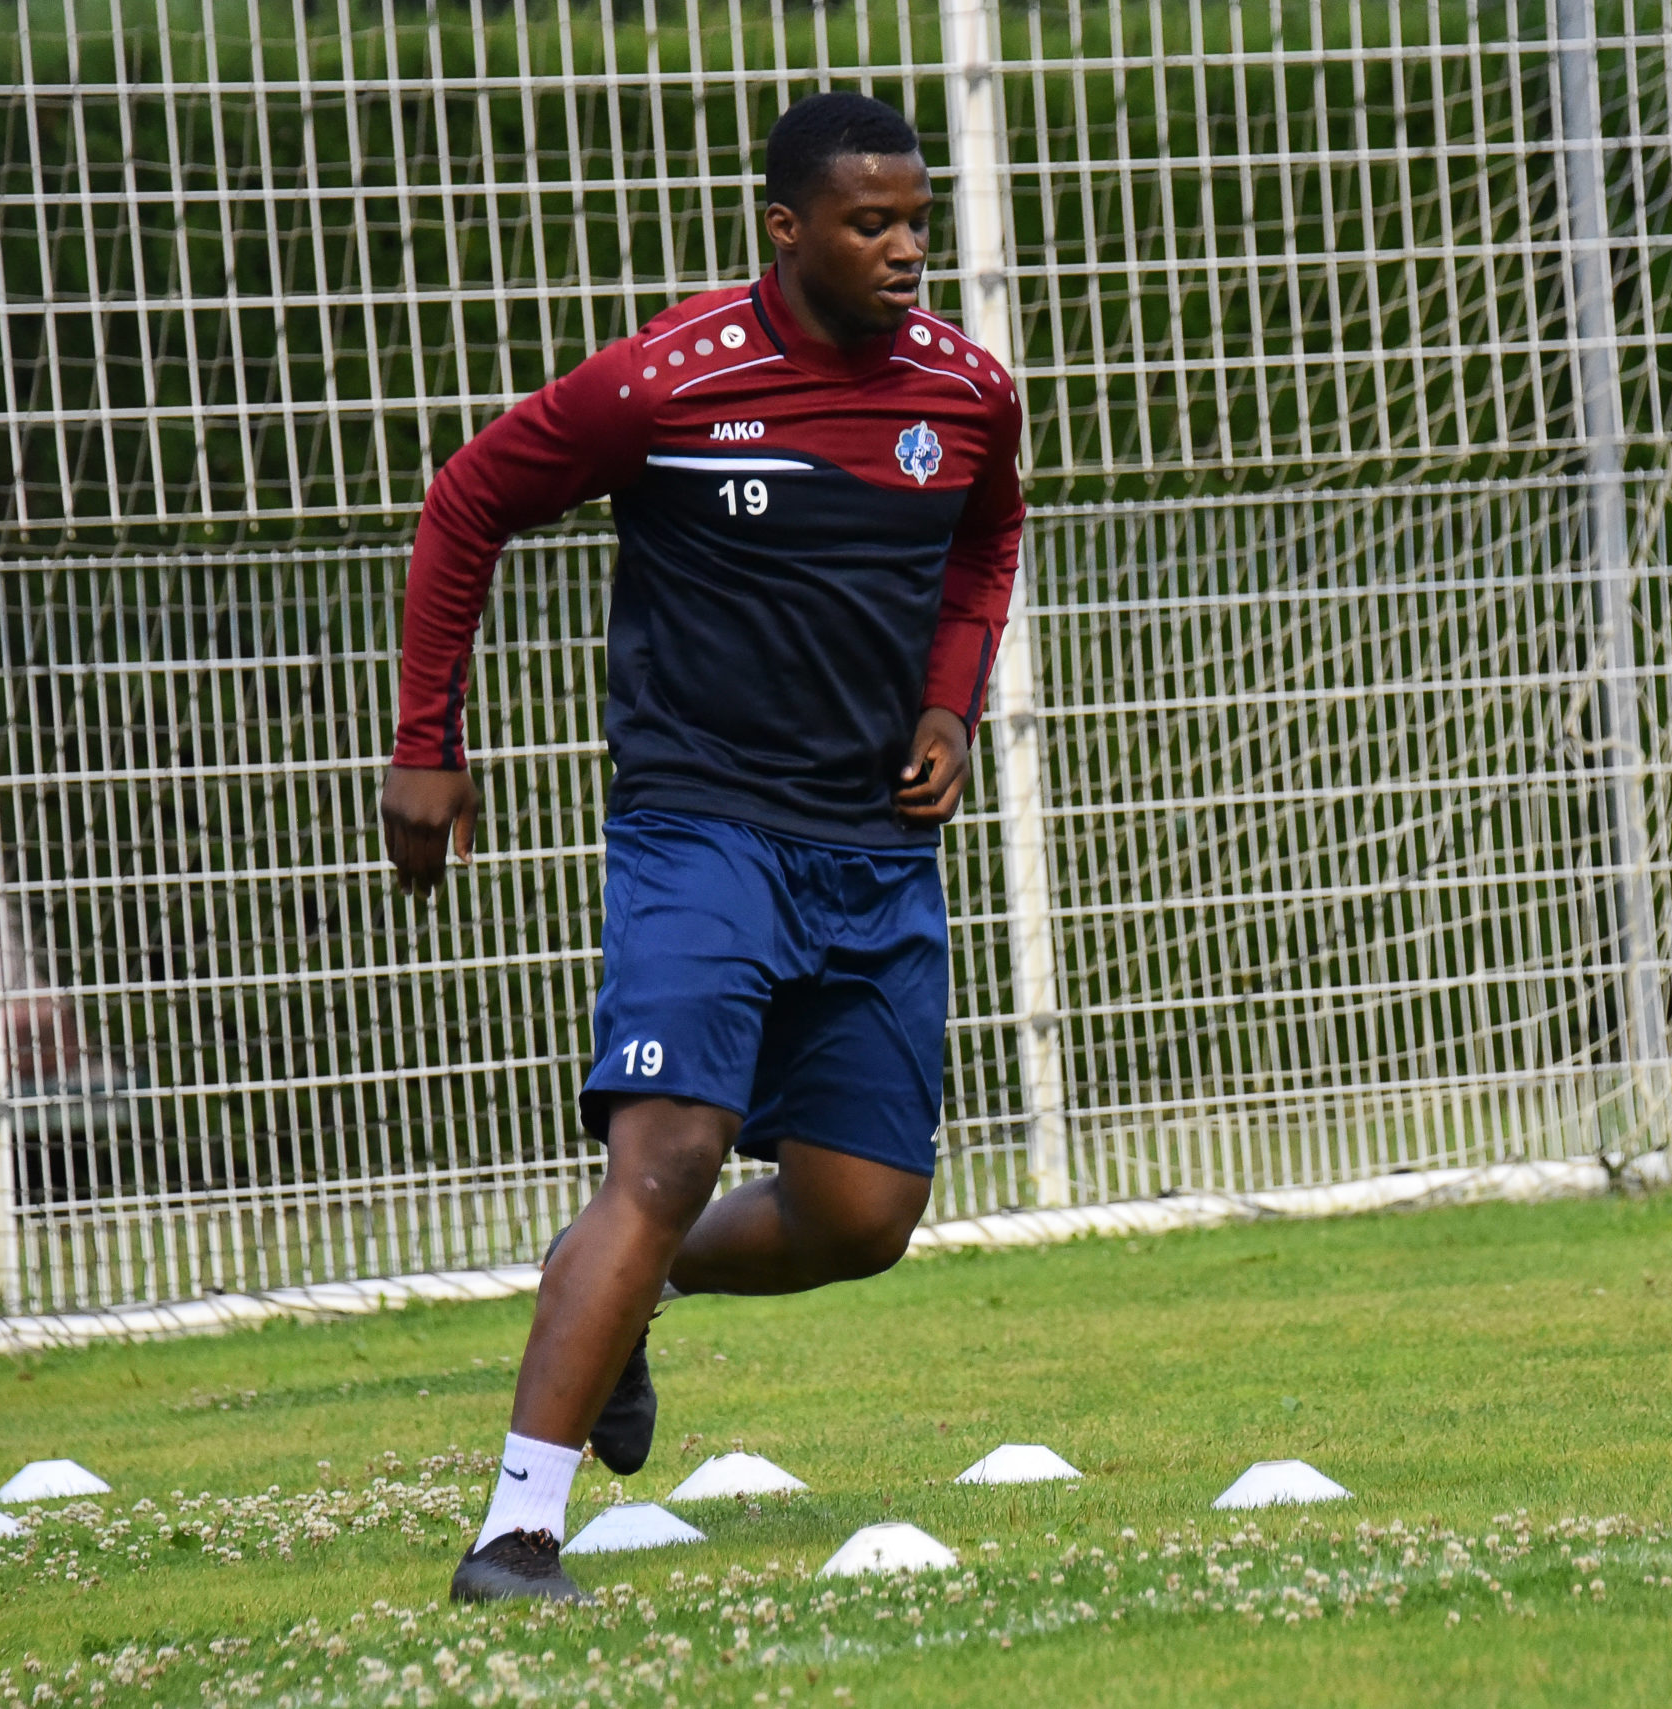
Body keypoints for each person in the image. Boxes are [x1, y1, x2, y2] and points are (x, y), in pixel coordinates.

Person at [379, 92, 1024, 1600]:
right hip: (701, 827)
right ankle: (515, 1534)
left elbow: (985, 543)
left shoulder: (966, 392)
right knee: (666, 1153)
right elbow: (468, 498)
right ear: (786, 230)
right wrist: (426, 742)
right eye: (871, 223)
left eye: (918, 221)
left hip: (873, 847)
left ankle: (626, 1286)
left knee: (862, 1217)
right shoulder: (669, 382)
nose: (907, 250)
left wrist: (951, 702)